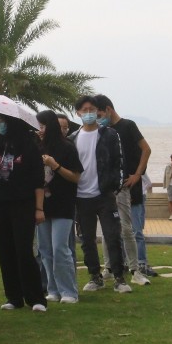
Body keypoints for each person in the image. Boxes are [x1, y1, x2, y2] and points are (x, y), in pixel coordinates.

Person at [70, 96, 129, 293]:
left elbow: (119, 162)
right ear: (78, 113)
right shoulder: (73, 138)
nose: (89, 113)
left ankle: (119, 277)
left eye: (92, 109)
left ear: (98, 111)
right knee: (87, 240)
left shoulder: (109, 135)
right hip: (81, 197)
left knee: (112, 236)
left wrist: (114, 188)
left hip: (104, 196)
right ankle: (95, 276)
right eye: (84, 110)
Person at [0, 114, 47, 311]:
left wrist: (39, 208)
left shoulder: (29, 146)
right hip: (0, 203)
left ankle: (36, 297)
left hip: (23, 203)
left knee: (24, 251)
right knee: (5, 251)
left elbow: (38, 181)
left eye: (4, 121)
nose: (0, 125)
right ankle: (13, 297)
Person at [95, 95, 153, 283]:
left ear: (108, 109)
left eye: (99, 114)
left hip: (127, 185)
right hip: (107, 186)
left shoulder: (128, 126)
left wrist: (137, 174)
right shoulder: (101, 131)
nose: (97, 118)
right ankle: (109, 267)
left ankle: (136, 269)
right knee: (107, 230)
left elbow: (146, 149)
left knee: (129, 229)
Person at [37, 109, 83, 303]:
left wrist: (55, 166)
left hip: (63, 205)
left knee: (60, 249)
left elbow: (76, 177)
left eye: (42, 126)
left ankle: (69, 291)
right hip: (42, 206)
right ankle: (53, 289)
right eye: (38, 126)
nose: (40, 130)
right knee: (45, 249)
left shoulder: (67, 147)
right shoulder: (38, 147)